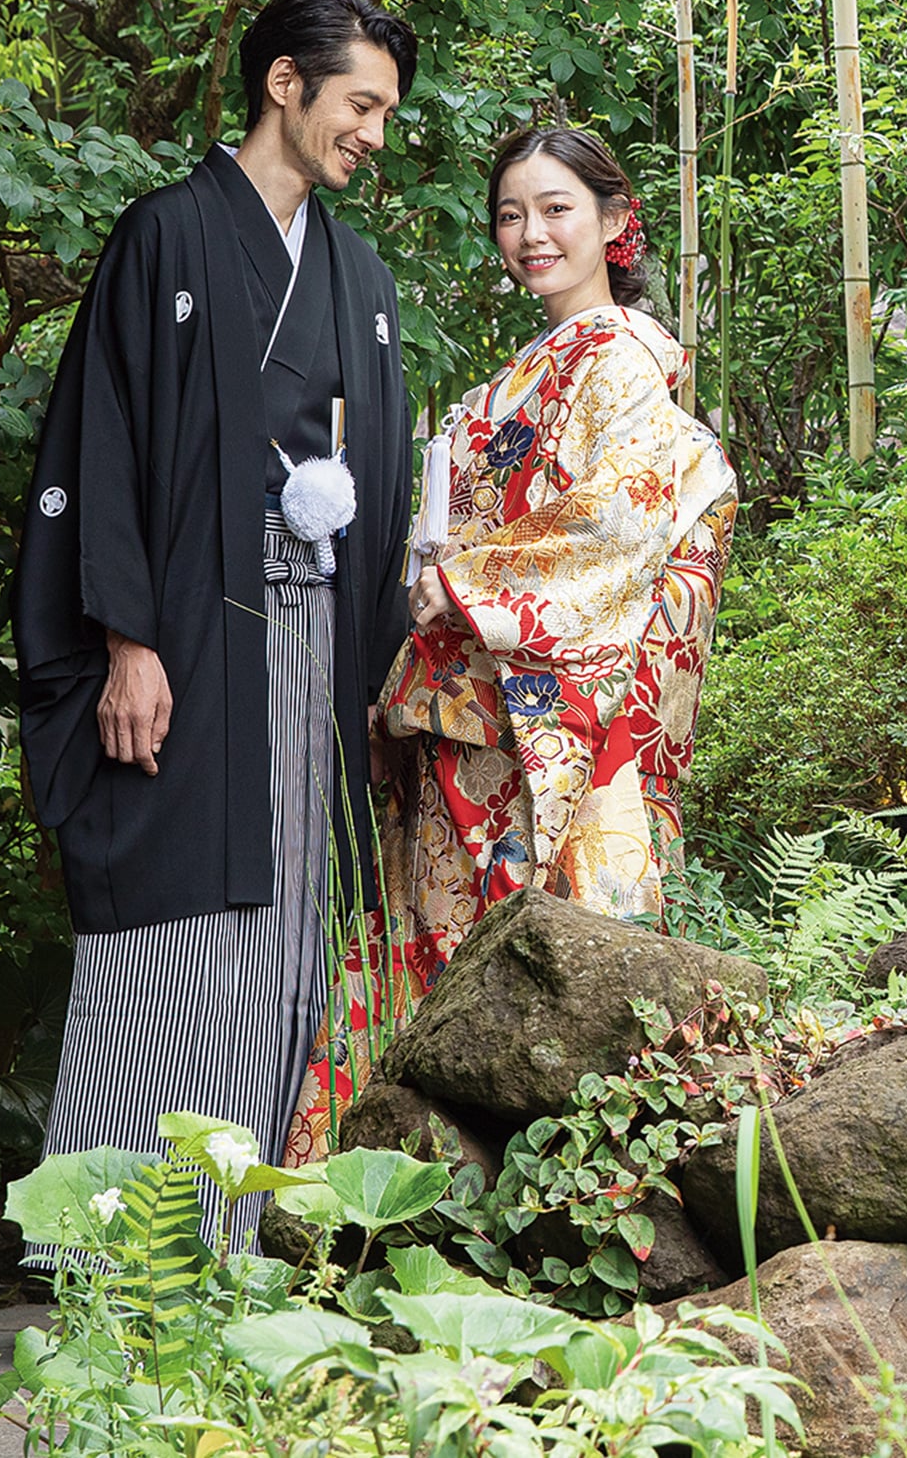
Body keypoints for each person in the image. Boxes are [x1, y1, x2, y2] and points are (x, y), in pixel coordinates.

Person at [14, 0, 418, 1202]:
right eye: (360, 103)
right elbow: (106, 443)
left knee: (296, 902)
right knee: (176, 903)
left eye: (389, 113)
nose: (375, 135)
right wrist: (128, 639)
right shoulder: (168, 235)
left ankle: (235, 1239)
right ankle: (118, 1243)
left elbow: (384, 476)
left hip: (317, 637)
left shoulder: (361, 278)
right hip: (190, 630)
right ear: (284, 85)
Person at [286, 125, 736, 1161]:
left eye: (557, 208)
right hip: (469, 702)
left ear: (615, 224)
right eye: (510, 213)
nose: (530, 233)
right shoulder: (519, 374)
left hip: (538, 717)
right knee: (453, 954)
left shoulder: (621, 358)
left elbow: (617, 525)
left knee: (531, 956)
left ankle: (520, 1198)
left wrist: (456, 583)